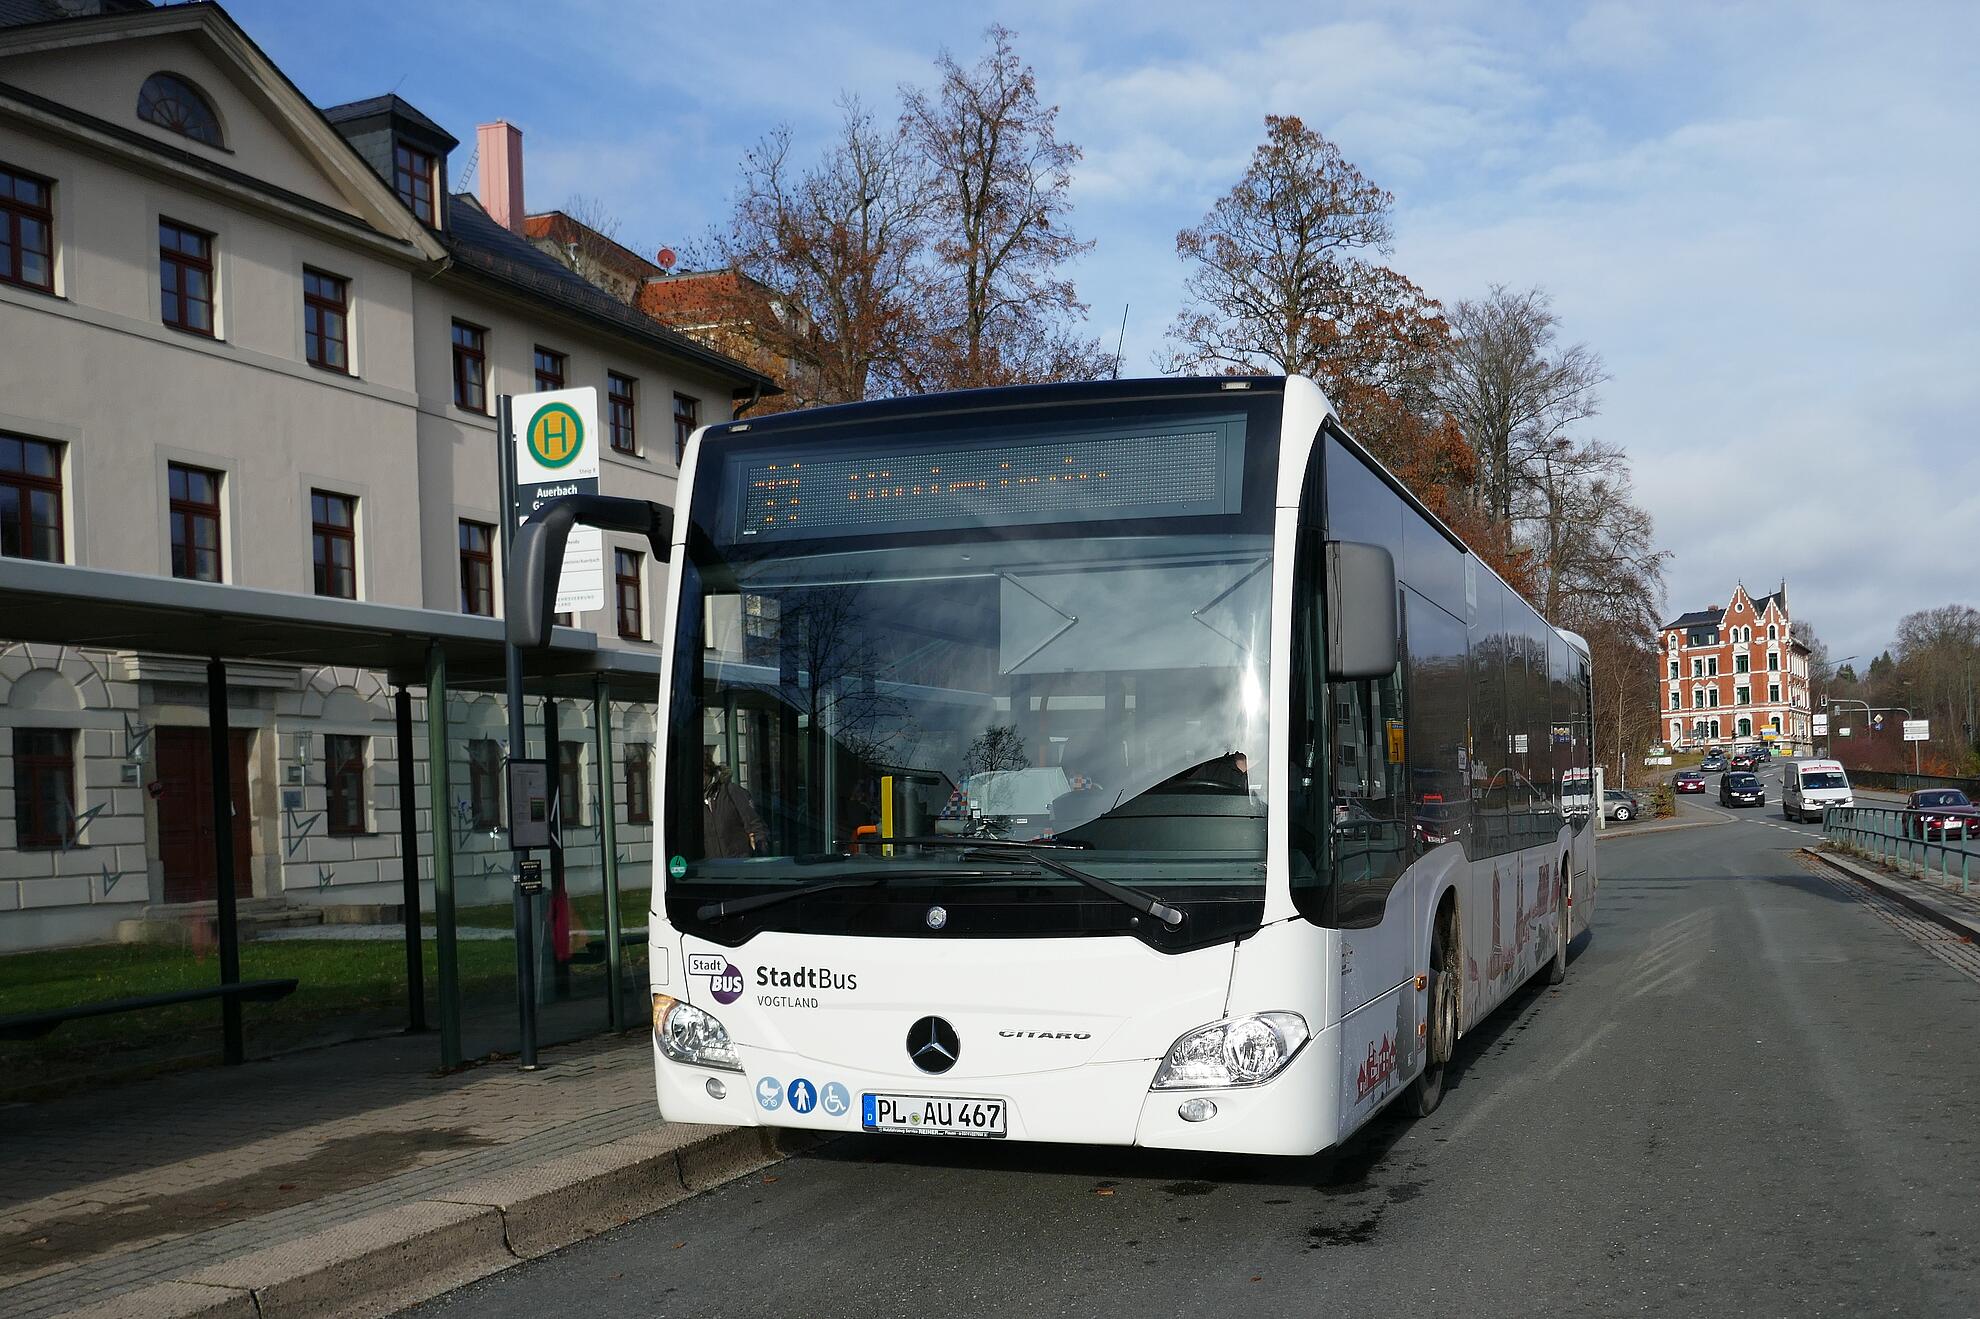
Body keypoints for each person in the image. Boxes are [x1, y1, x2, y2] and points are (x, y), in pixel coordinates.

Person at [703, 749, 764, 858]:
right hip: (710, 870)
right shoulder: (689, 802)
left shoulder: (731, 791)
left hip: (738, 867)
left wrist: (760, 852)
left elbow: (755, 825)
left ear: (706, 770)